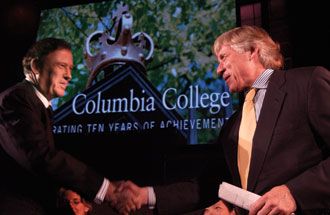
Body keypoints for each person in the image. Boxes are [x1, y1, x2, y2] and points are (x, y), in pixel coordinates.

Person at [110, 25, 330, 215]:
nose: (218, 69)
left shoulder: (307, 83)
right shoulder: (232, 126)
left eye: (224, 57)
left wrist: (295, 192)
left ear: (252, 51)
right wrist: (145, 195)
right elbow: (209, 185)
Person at [0, 38, 134, 215]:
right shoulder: (16, 99)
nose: (68, 75)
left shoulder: (40, 106)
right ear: (36, 67)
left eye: (70, 68)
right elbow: (41, 158)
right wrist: (105, 189)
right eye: (61, 66)